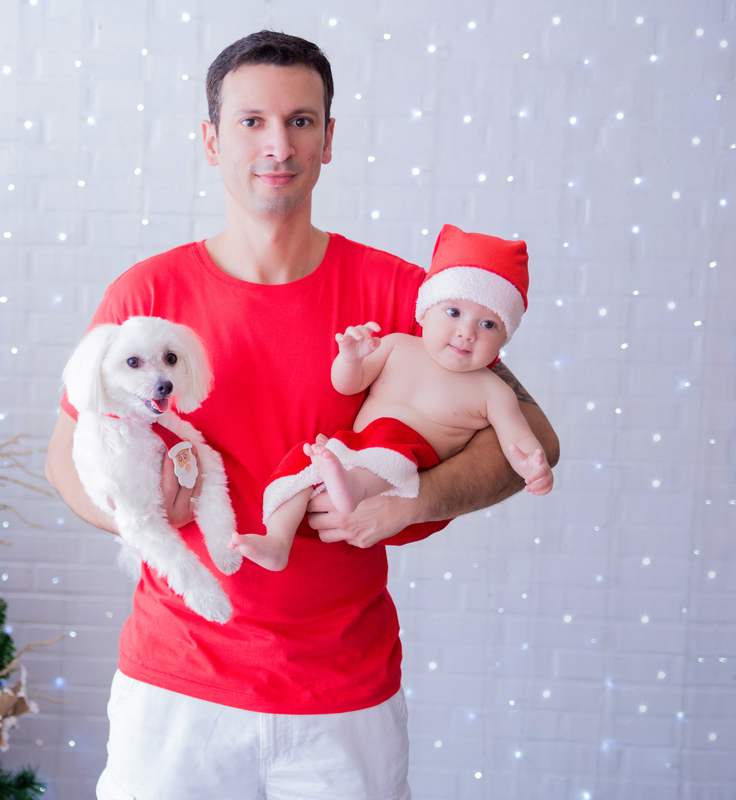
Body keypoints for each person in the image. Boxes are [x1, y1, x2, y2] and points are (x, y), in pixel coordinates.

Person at [44, 31, 560, 800]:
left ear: (328, 139)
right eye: (251, 121)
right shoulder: (147, 297)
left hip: (344, 696)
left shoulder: (407, 296)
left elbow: (535, 436)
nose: (278, 146)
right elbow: (64, 460)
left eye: (301, 121)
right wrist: (137, 513)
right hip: (177, 687)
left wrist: (420, 499)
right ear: (212, 140)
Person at [236, 225, 555, 572]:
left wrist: (533, 468)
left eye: (489, 325)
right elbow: (348, 385)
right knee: (303, 459)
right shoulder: (397, 346)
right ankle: (278, 539)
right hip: (352, 450)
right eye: (453, 313)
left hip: (405, 469)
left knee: (389, 435)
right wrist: (350, 358)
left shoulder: (493, 391)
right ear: (425, 311)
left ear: (505, 337)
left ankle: (353, 487)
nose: (467, 332)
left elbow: (519, 440)